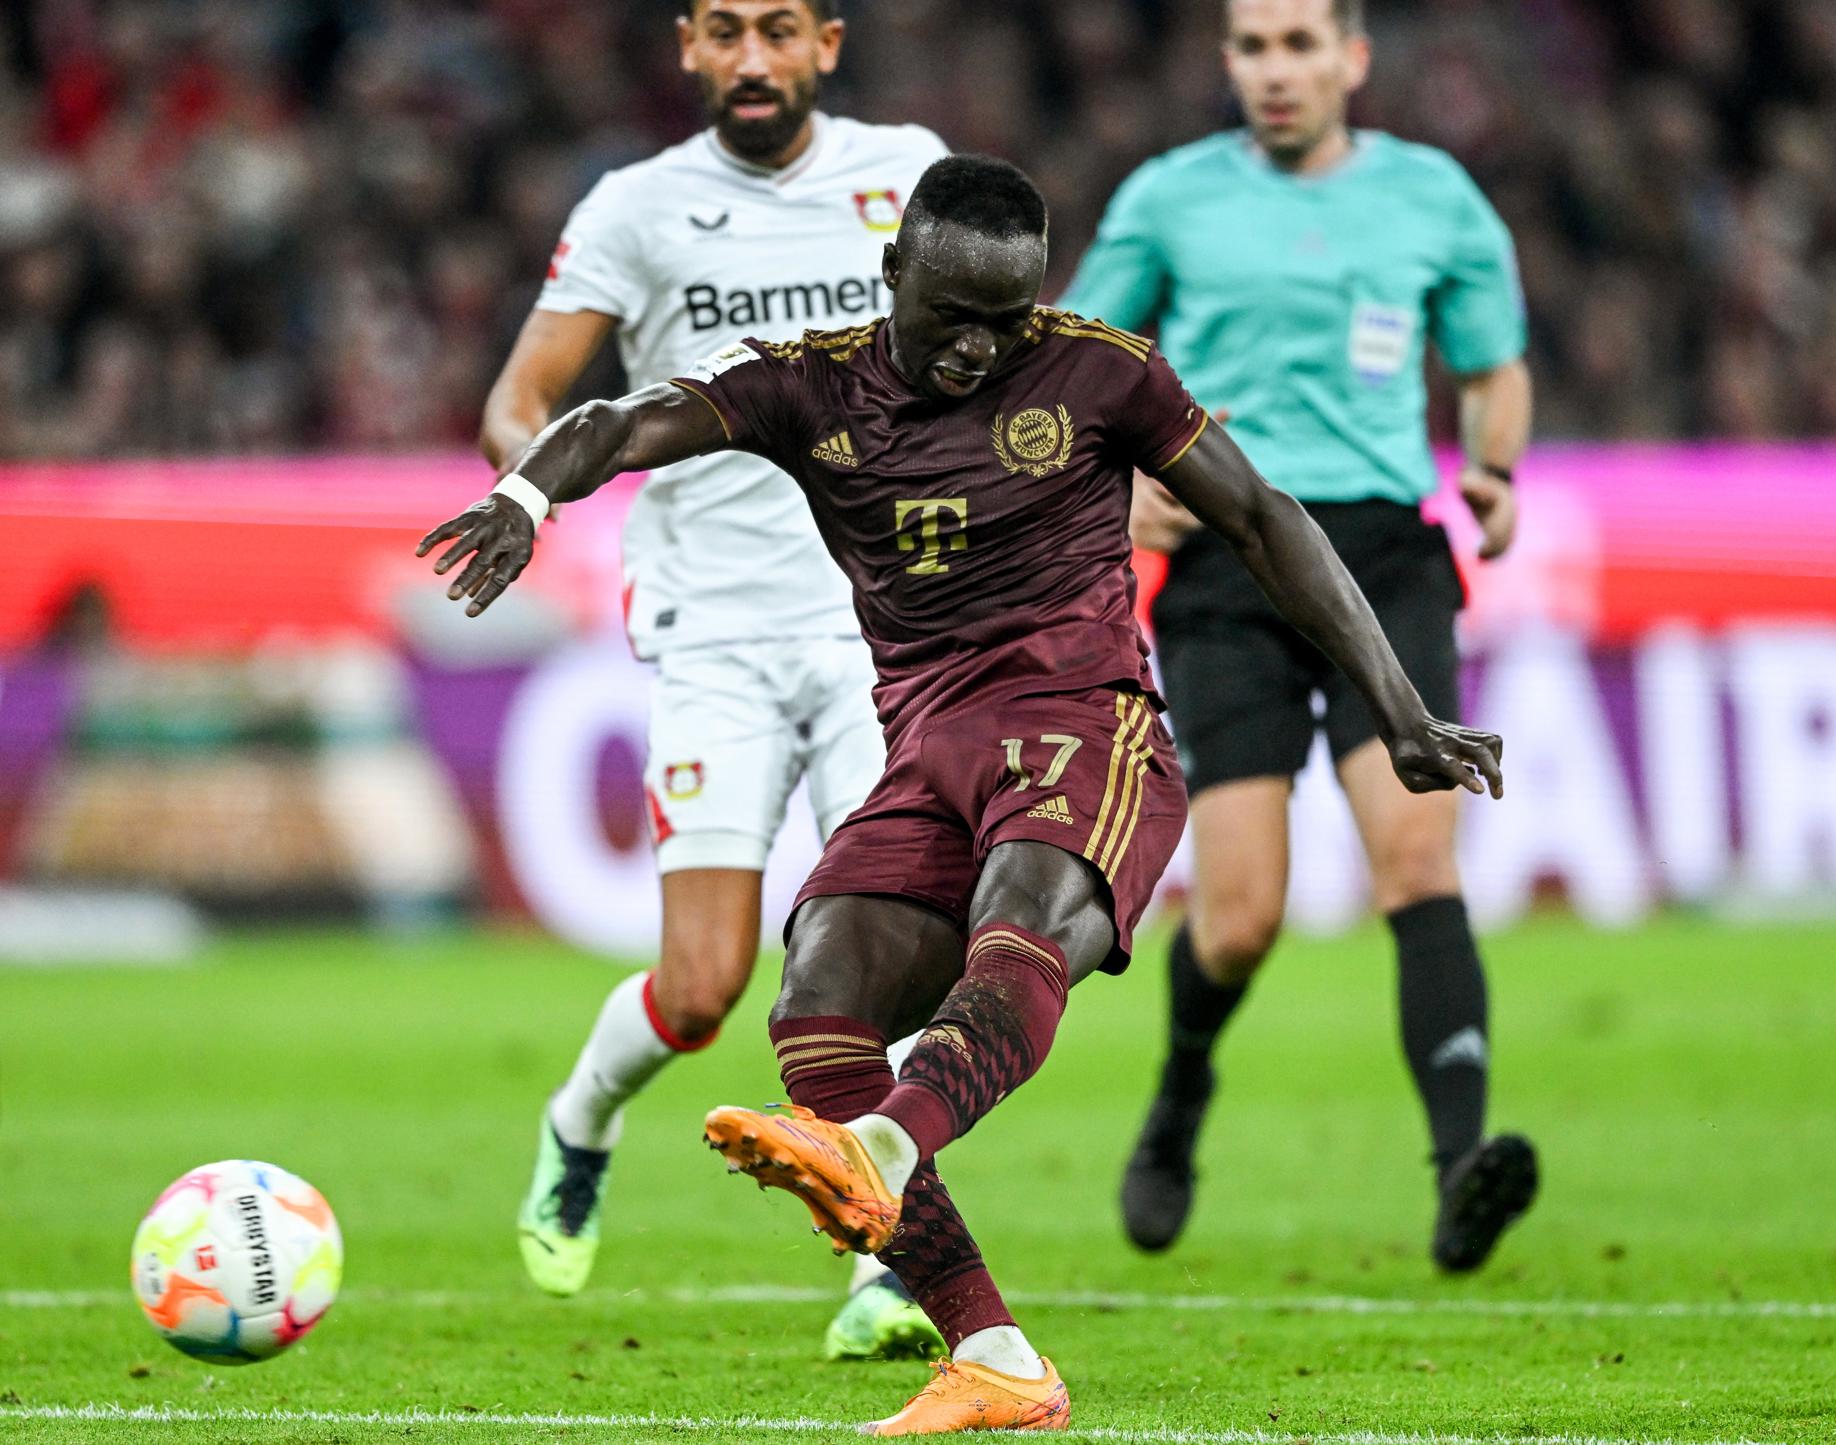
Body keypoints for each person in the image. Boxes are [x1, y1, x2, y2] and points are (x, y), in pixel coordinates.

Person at [417, 153, 1503, 1436]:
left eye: (1011, 319)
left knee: (1022, 911)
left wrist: (1401, 709)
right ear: (893, 276)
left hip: (1085, 727)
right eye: (953, 318)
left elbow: (1263, 519)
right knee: (819, 997)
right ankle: (992, 1351)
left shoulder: (1102, 370)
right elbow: (620, 419)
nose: (983, 349)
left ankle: (883, 1150)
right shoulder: (811, 384)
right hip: (926, 747)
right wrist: (527, 492)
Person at [484, 0, 946, 1360]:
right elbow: (523, 398)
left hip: (885, 632)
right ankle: (581, 1120)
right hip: (715, 633)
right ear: (688, 45)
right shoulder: (637, 207)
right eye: (728, 32)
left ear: (829, 45)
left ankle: (890, 1264)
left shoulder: (907, 173)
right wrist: (533, 484)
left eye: (782, 30)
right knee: (701, 986)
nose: (755, 59)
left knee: (900, 966)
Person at [1060, 0, 1538, 1269]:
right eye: (1253, 48)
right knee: (1239, 916)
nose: (1276, 71)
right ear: (1228, 63)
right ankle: (1177, 1104)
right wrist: (1120, 479)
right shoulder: (1169, 198)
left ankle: (1459, 1172)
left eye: (1299, 45)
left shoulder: (1435, 199)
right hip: (1231, 561)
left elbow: (1493, 366)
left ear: (1352, 59)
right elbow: (1071, 366)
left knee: (1417, 863)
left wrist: (1491, 465)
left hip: (1384, 555)